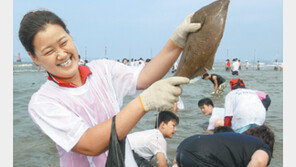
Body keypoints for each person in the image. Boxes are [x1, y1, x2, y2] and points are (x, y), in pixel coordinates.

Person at [19, 10, 201, 166]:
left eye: (63, 42)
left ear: (71, 37)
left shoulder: (102, 69)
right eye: (49, 51)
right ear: (34, 57)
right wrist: (142, 103)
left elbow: (145, 77)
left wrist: (177, 42)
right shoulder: (42, 102)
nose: (61, 54)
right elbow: (90, 144)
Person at [174, 125, 274, 167]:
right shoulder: (264, 148)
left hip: (184, 146)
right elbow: (259, 161)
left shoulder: (239, 142)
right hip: (202, 155)